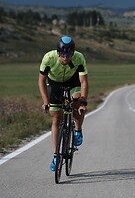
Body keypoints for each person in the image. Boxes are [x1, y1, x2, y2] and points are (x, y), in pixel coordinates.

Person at [38, 36, 88, 171]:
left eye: (69, 54)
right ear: (58, 52)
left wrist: (83, 100)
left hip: (73, 81)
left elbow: (83, 81)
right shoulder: (48, 58)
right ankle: (56, 156)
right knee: (56, 118)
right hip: (54, 83)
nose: (66, 58)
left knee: (77, 103)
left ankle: (78, 130)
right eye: (63, 54)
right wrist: (45, 102)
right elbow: (41, 81)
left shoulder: (79, 58)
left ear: (73, 53)